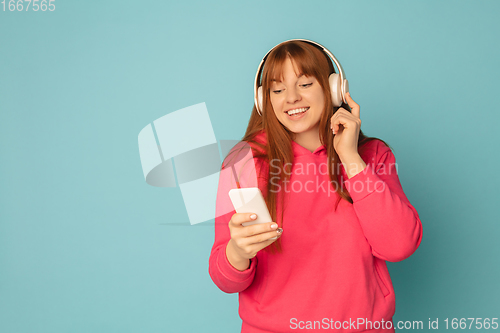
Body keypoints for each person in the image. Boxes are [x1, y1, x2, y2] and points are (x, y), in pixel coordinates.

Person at [208, 39, 423, 333]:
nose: (291, 98)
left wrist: (350, 157)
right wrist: (237, 252)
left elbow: (399, 246)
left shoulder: (372, 156)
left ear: (334, 89)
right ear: (264, 100)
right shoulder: (244, 163)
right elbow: (225, 280)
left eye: (305, 84)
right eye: (278, 89)